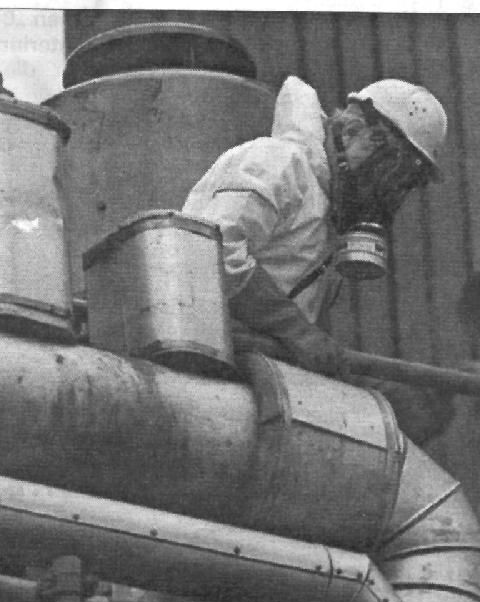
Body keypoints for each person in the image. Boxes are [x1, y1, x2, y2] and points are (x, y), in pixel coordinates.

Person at [183, 75, 447, 378]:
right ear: (352, 130)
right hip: (203, 356)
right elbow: (212, 250)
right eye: (389, 167)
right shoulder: (278, 162)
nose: (391, 187)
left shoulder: (328, 214)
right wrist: (298, 331)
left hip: (251, 371)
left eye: (406, 180)